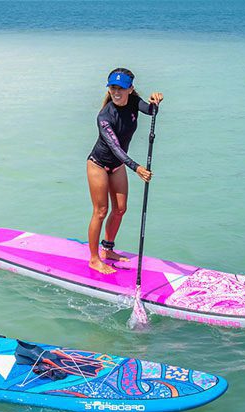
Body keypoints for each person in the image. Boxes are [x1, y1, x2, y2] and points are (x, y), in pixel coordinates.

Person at [86, 67, 163, 274]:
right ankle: (94, 259)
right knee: (100, 211)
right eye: (113, 88)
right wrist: (136, 168)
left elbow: (151, 111)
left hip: (118, 165)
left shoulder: (133, 102)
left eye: (122, 88)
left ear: (130, 89)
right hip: (99, 164)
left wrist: (156, 102)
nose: (117, 92)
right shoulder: (104, 116)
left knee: (120, 209)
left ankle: (108, 249)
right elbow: (115, 148)